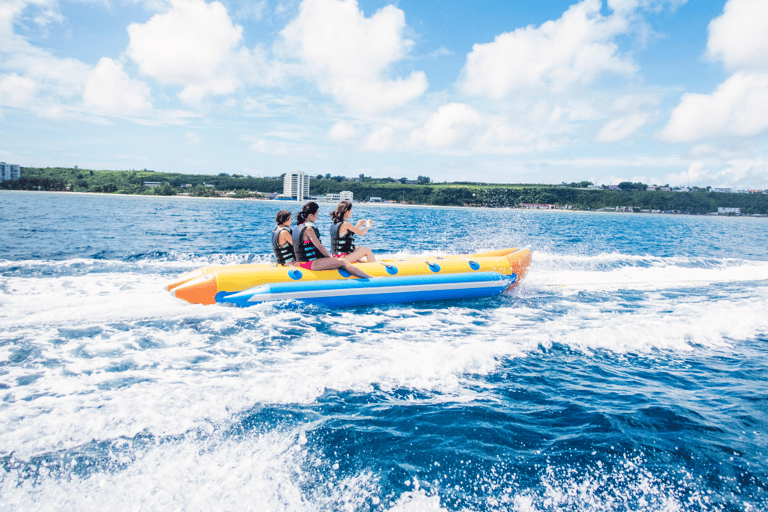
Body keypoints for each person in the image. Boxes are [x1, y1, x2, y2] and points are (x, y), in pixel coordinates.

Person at [292, 202, 371, 278]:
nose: (317, 217)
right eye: (317, 214)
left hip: (300, 263)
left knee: (356, 250)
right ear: (310, 215)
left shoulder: (298, 227)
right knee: (343, 262)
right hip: (310, 264)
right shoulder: (309, 229)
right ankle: (370, 278)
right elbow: (319, 247)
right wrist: (330, 258)